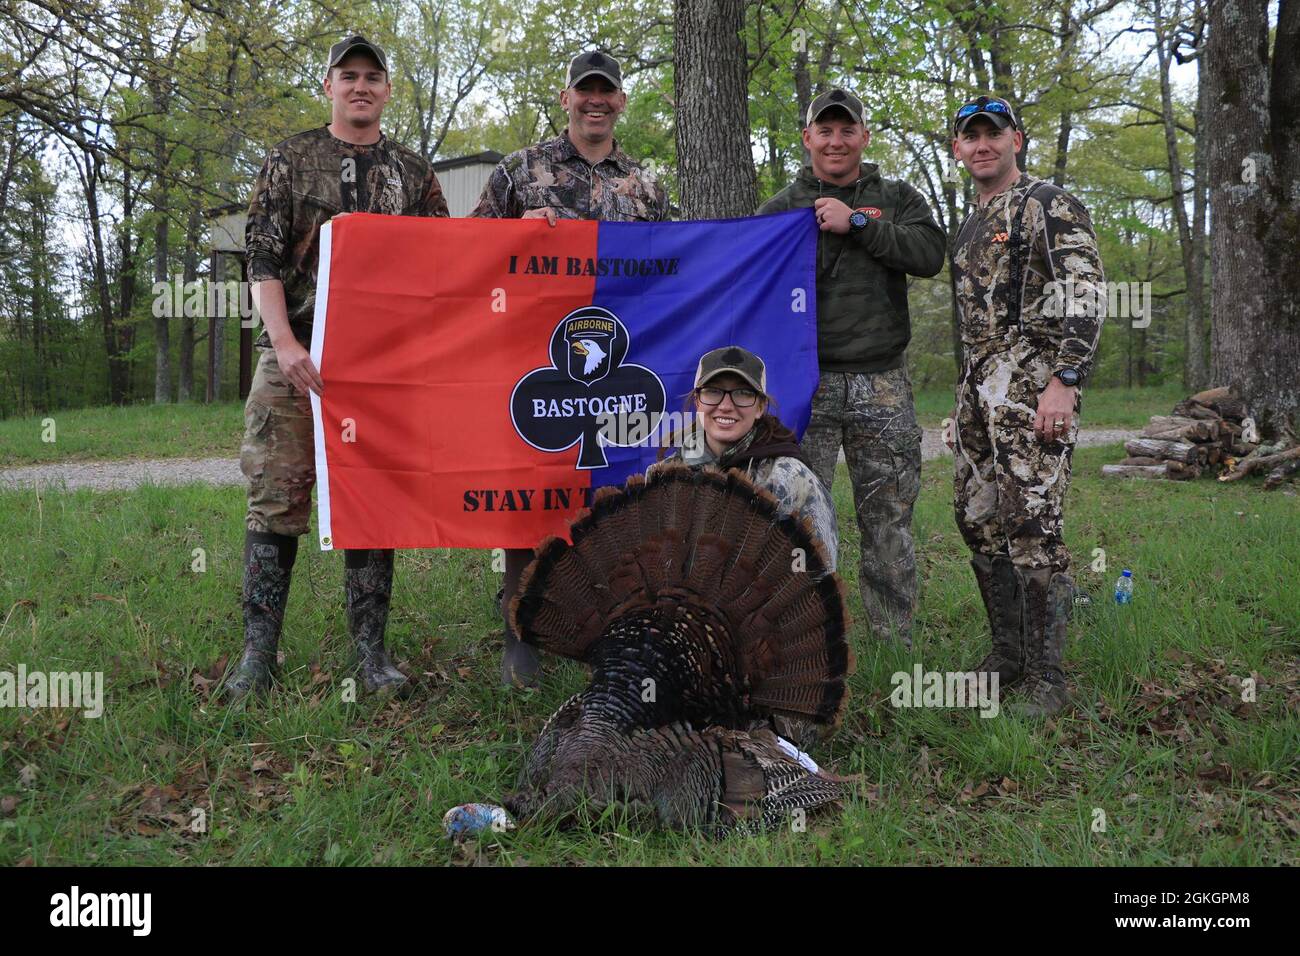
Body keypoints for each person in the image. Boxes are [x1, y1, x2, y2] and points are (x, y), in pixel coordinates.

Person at [226, 36, 450, 702]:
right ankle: (257, 658)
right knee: (274, 498)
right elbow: (261, 262)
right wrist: (285, 345)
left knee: (373, 505)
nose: (360, 86)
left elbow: (446, 263)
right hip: (294, 362)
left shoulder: (412, 173)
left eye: (372, 77)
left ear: (386, 90)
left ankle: (372, 658)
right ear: (328, 86)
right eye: (347, 76)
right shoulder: (290, 160)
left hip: (380, 372)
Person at [471, 50, 669, 686]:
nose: (595, 101)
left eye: (606, 92)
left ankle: (608, 640)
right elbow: (463, 256)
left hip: (621, 362)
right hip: (534, 363)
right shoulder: (518, 172)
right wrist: (511, 235)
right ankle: (520, 635)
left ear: (620, 102)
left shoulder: (646, 184)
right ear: (566, 99)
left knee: (616, 502)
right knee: (529, 494)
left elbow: (680, 271)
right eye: (585, 91)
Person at [757, 88, 946, 650]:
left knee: (887, 520)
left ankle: (894, 648)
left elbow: (930, 255)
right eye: (825, 130)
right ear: (807, 137)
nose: (835, 141)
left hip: (880, 383)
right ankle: (800, 647)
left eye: (847, 130)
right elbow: (746, 282)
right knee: (794, 523)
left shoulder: (897, 198)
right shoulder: (778, 209)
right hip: (802, 386)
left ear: (863, 136)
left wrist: (857, 223)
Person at [948, 94, 1105, 717]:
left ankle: (1047, 679)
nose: (983, 144)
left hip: (1033, 379)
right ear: (958, 148)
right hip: (978, 385)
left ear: (1017, 138)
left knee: (1033, 525)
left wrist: (1065, 378)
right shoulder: (972, 222)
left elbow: (1086, 289)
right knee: (976, 516)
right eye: (971, 136)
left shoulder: (1047, 202)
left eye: (994, 133)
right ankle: (1006, 657)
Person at [648, 346, 838, 573]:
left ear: (760, 407)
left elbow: (818, 579)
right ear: (698, 401)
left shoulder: (791, 480)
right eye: (713, 391)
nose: (726, 406)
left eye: (743, 393)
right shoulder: (665, 475)